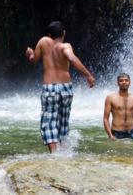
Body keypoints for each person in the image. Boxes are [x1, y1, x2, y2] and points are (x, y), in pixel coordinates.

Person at [25, 21, 96, 152]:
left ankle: (54, 154)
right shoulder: (65, 46)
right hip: (66, 89)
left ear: (49, 34)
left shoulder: (43, 42)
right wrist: (88, 76)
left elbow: (34, 60)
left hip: (50, 88)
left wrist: (29, 53)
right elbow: (72, 58)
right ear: (63, 33)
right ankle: (64, 151)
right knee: (63, 121)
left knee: (49, 121)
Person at [103, 73, 133, 140]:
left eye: (126, 80)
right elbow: (105, 119)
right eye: (121, 80)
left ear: (130, 82)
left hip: (132, 132)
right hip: (117, 133)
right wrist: (110, 135)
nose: (124, 82)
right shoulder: (110, 98)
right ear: (117, 83)